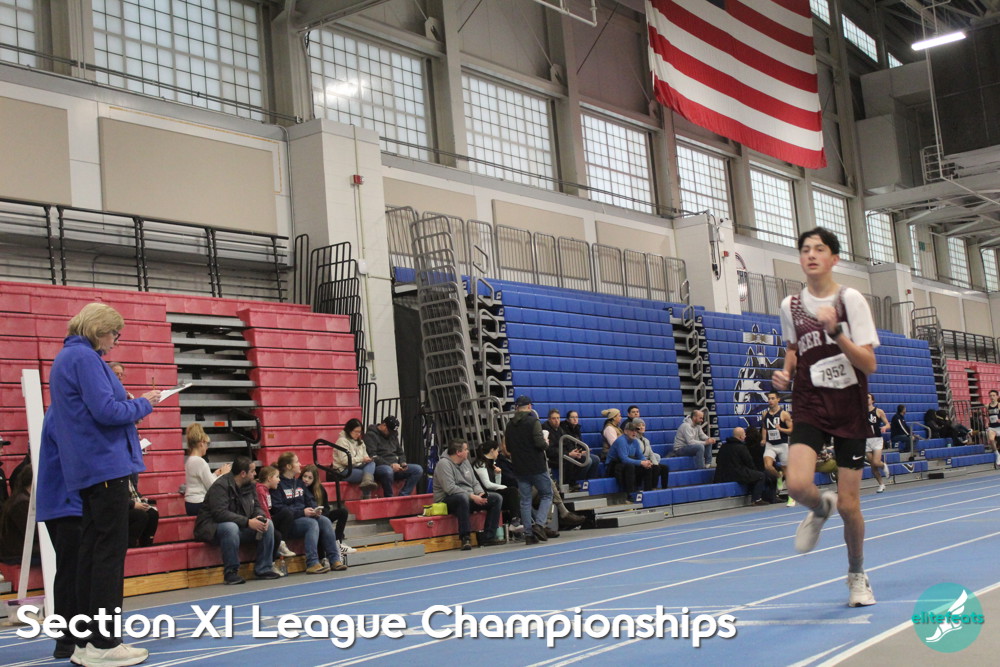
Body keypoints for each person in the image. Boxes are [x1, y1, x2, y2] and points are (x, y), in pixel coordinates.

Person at [37, 303, 163, 665]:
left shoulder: (67, 358)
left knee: (91, 556)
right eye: (114, 334)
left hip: (89, 469)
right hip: (105, 466)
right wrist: (143, 404)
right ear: (98, 329)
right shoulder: (85, 358)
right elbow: (106, 412)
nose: (115, 342)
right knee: (108, 556)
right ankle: (105, 643)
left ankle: (87, 642)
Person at [772, 227, 879, 608]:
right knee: (797, 485)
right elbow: (793, 347)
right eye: (805, 249)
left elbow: (869, 363)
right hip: (810, 403)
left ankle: (857, 575)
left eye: (819, 249)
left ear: (834, 258)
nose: (811, 255)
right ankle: (820, 507)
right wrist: (786, 371)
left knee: (850, 506)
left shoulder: (850, 300)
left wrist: (837, 333)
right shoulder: (790, 305)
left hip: (849, 406)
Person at [193, 456, 280, 585]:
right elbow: (220, 514)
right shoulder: (220, 486)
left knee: (268, 523)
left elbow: (257, 506)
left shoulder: (250, 485)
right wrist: (247, 522)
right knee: (230, 527)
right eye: (252, 471)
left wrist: (260, 516)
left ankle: (263, 568)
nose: (255, 474)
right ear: (243, 473)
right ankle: (231, 572)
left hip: (239, 525)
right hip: (212, 528)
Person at [271, 452, 345, 574]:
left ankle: (334, 559)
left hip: (303, 517)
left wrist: (315, 509)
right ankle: (312, 562)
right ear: (289, 466)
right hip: (289, 523)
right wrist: (302, 512)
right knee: (311, 524)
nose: (300, 464)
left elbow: (310, 499)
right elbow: (279, 509)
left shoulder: (299, 483)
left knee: (325, 521)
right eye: (296, 462)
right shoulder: (278, 485)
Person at [432, 438, 503, 550]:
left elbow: (474, 482)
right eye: (465, 449)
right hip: (447, 500)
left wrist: (480, 493)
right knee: (462, 498)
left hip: (469, 497)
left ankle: (488, 537)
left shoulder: (465, 462)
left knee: (496, 498)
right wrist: (472, 496)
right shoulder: (443, 464)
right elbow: (450, 488)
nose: (468, 451)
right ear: (458, 452)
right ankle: (465, 537)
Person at [505, 395, 556, 544]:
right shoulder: (533, 421)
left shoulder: (510, 425)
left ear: (516, 407)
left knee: (525, 501)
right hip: (536, 465)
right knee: (547, 494)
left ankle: (528, 534)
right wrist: (546, 443)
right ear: (529, 407)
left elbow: (508, 448)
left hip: (519, 467)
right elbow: (539, 443)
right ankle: (539, 524)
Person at [301, 463, 354, 557]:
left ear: (314, 479)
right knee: (319, 525)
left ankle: (338, 543)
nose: (306, 479)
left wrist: (321, 512)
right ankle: (322, 556)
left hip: (320, 515)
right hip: (307, 517)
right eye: (304, 476)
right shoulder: (298, 488)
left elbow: (326, 507)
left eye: (310, 478)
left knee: (343, 512)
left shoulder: (320, 489)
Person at [364, 416, 423, 497]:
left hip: (396, 466)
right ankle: (389, 496)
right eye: (390, 431)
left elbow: (400, 452)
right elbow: (373, 456)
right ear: (384, 425)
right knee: (388, 471)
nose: (391, 433)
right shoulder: (371, 435)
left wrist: (403, 462)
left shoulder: (393, 435)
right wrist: (390, 465)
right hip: (380, 467)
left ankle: (403, 495)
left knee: (418, 469)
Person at [473, 440, 520, 534]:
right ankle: (515, 521)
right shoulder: (480, 464)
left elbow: (496, 485)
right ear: (492, 450)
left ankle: (517, 521)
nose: (498, 453)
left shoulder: (491, 464)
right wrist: (504, 487)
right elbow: (487, 484)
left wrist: (498, 474)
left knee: (514, 495)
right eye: (497, 451)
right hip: (484, 493)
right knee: (512, 491)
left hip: (492, 492)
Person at [255, 465, 295, 574]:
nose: (279, 480)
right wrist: (270, 524)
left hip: (269, 519)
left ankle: (282, 542)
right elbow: (263, 510)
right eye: (277, 477)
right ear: (269, 478)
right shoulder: (260, 490)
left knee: (287, 514)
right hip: (262, 521)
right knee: (276, 535)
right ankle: (271, 563)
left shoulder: (267, 490)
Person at [184, 424, 231, 516]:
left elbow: (201, 482)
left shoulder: (190, 460)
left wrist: (215, 475)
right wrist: (224, 474)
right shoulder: (200, 461)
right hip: (199, 503)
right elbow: (212, 487)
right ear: (201, 443)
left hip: (191, 503)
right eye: (207, 444)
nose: (207, 447)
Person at [714, 428, 770, 506]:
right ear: (741, 437)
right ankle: (756, 499)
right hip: (736, 474)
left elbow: (717, 460)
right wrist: (754, 471)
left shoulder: (723, 446)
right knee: (760, 475)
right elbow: (749, 462)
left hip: (721, 474)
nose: (745, 436)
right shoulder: (741, 447)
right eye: (744, 434)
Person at [606, 420, 656, 500]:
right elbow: (624, 459)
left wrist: (646, 462)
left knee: (648, 467)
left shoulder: (635, 441)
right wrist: (641, 462)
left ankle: (648, 493)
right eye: (632, 430)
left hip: (625, 463)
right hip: (613, 466)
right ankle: (630, 494)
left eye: (635, 431)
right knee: (630, 466)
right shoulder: (621, 441)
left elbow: (640, 455)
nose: (634, 433)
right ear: (625, 431)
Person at [544, 409, 592, 489]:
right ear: (549, 419)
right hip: (553, 458)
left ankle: (579, 482)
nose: (556, 420)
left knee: (588, 459)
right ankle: (569, 483)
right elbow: (550, 450)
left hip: (563, 454)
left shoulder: (560, 429)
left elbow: (568, 442)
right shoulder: (545, 430)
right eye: (554, 418)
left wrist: (575, 451)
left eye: (558, 418)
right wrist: (568, 454)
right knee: (575, 460)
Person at [0, 465, 38, 564]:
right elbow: (34, 533)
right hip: (16, 553)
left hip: (21, 549)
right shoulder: (21, 503)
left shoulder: (22, 498)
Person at [333, 418, 378, 499]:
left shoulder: (360, 442)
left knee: (371, 464)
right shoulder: (342, 441)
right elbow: (344, 461)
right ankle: (367, 496)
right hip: (344, 470)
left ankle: (367, 489)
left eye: (359, 432)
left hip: (357, 466)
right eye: (356, 432)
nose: (358, 434)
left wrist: (367, 459)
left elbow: (365, 456)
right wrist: (361, 459)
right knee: (367, 475)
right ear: (349, 430)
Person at [760, 392, 792, 492]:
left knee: (786, 469)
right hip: (770, 444)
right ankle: (778, 476)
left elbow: (791, 430)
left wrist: (781, 429)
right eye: (769, 398)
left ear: (778, 399)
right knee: (768, 466)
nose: (770, 401)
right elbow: (764, 428)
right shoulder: (765, 414)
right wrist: (764, 439)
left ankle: (791, 493)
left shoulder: (784, 414)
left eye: (773, 398)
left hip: (782, 444)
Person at [866, 394, 890, 493]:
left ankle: (883, 465)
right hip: (866, 440)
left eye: (868, 398)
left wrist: (885, 427)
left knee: (876, 462)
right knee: (873, 466)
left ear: (873, 400)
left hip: (876, 439)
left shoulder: (879, 411)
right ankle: (881, 484)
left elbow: (888, 424)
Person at [635, 419, 670, 489]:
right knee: (651, 467)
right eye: (639, 425)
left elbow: (651, 453)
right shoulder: (634, 440)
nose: (641, 427)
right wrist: (647, 462)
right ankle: (650, 489)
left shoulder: (646, 440)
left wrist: (655, 463)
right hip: (639, 462)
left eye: (643, 425)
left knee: (664, 467)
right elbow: (637, 454)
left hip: (647, 461)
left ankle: (664, 489)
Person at [126, 478, 158, 548]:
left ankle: (147, 545)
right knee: (141, 515)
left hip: (129, 503)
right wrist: (133, 504)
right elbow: (115, 498)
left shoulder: (128, 476)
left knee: (153, 513)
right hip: (118, 508)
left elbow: (133, 490)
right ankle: (129, 544)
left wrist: (139, 497)